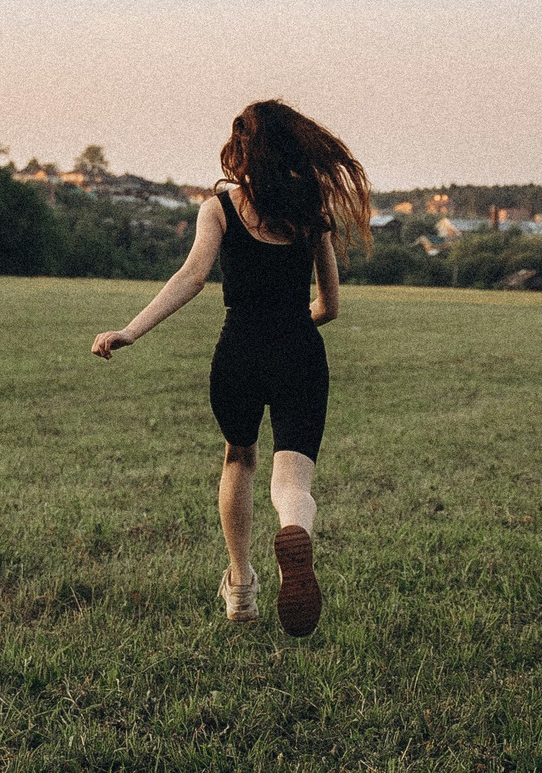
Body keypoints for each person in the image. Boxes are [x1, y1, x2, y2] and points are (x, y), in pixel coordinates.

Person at [92, 101, 371, 636]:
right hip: (299, 351)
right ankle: (294, 529)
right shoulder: (312, 212)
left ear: (241, 151)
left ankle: (241, 586)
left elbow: (191, 278)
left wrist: (129, 330)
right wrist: (297, 320)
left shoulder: (219, 208)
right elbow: (331, 306)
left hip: (239, 352)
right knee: (291, 477)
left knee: (238, 461)